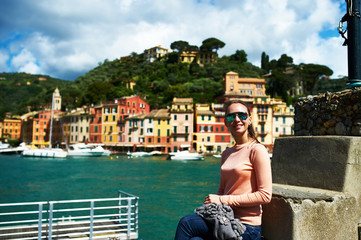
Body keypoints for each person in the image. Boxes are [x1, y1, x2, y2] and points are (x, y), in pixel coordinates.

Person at [174, 99, 272, 240]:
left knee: (187, 223)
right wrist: (213, 203)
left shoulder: (257, 150)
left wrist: (222, 199)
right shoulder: (226, 153)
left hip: (247, 226)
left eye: (242, 115)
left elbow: (265, 195)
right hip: (224, 219)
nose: (237, 119)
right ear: (226, 122)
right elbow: (222, 189)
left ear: (249, 119)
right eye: (231, 116)